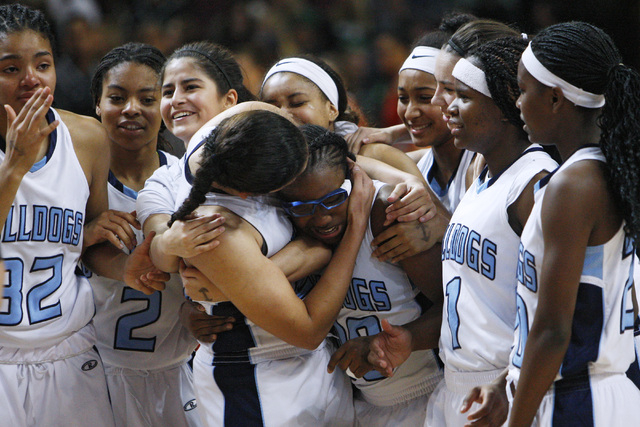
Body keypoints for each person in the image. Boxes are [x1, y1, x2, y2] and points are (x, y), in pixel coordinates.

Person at [366, 35, 559, 427]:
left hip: (505, 389)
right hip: (454, 383)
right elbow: (473, 298)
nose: (448, 107)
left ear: (505, 105)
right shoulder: (480, 177)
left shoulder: (536, 183)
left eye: (463, 97)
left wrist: (515, 390)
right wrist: (412, 338)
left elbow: (558, 312)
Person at [168, 106, 373, 426]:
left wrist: (399, 175)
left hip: (320, 368)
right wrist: (355, 227)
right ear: (255, 194)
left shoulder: (246, 119)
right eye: (291, 190)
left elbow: (314, 150)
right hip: (257, 382)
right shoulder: (214, 229)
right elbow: (307, 331)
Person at [505, 22, 640, 426]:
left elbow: (553, 330)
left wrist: (517, 421)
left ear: (555, 98)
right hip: (593, 394)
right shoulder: (600, 171)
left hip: (580, 401)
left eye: (523, 90)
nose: (517, 103)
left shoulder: (575, 184)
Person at [280, 124, 444, 426]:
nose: (322, 217)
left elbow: (457, 309)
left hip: (428, 394)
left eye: (333, 200)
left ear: (351, 184)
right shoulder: (291, 230)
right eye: (304, 207)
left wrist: (399, 340)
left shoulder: (384, 212)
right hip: (362, 403)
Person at [0, 3, 115, 425]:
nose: (31, 79)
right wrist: (14, 166)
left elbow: (95, 247)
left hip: (70, 351)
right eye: (10, 68)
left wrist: (130, 264)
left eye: (42, 64)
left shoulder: (87, 138)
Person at [87, 42, 208, 426]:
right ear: (97, 106)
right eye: (117, 97)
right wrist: (85, 233)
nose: (131, 109)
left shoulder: (188, 180)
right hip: (94, 368)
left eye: (148, 97)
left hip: (179, 368)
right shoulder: (74, 180)